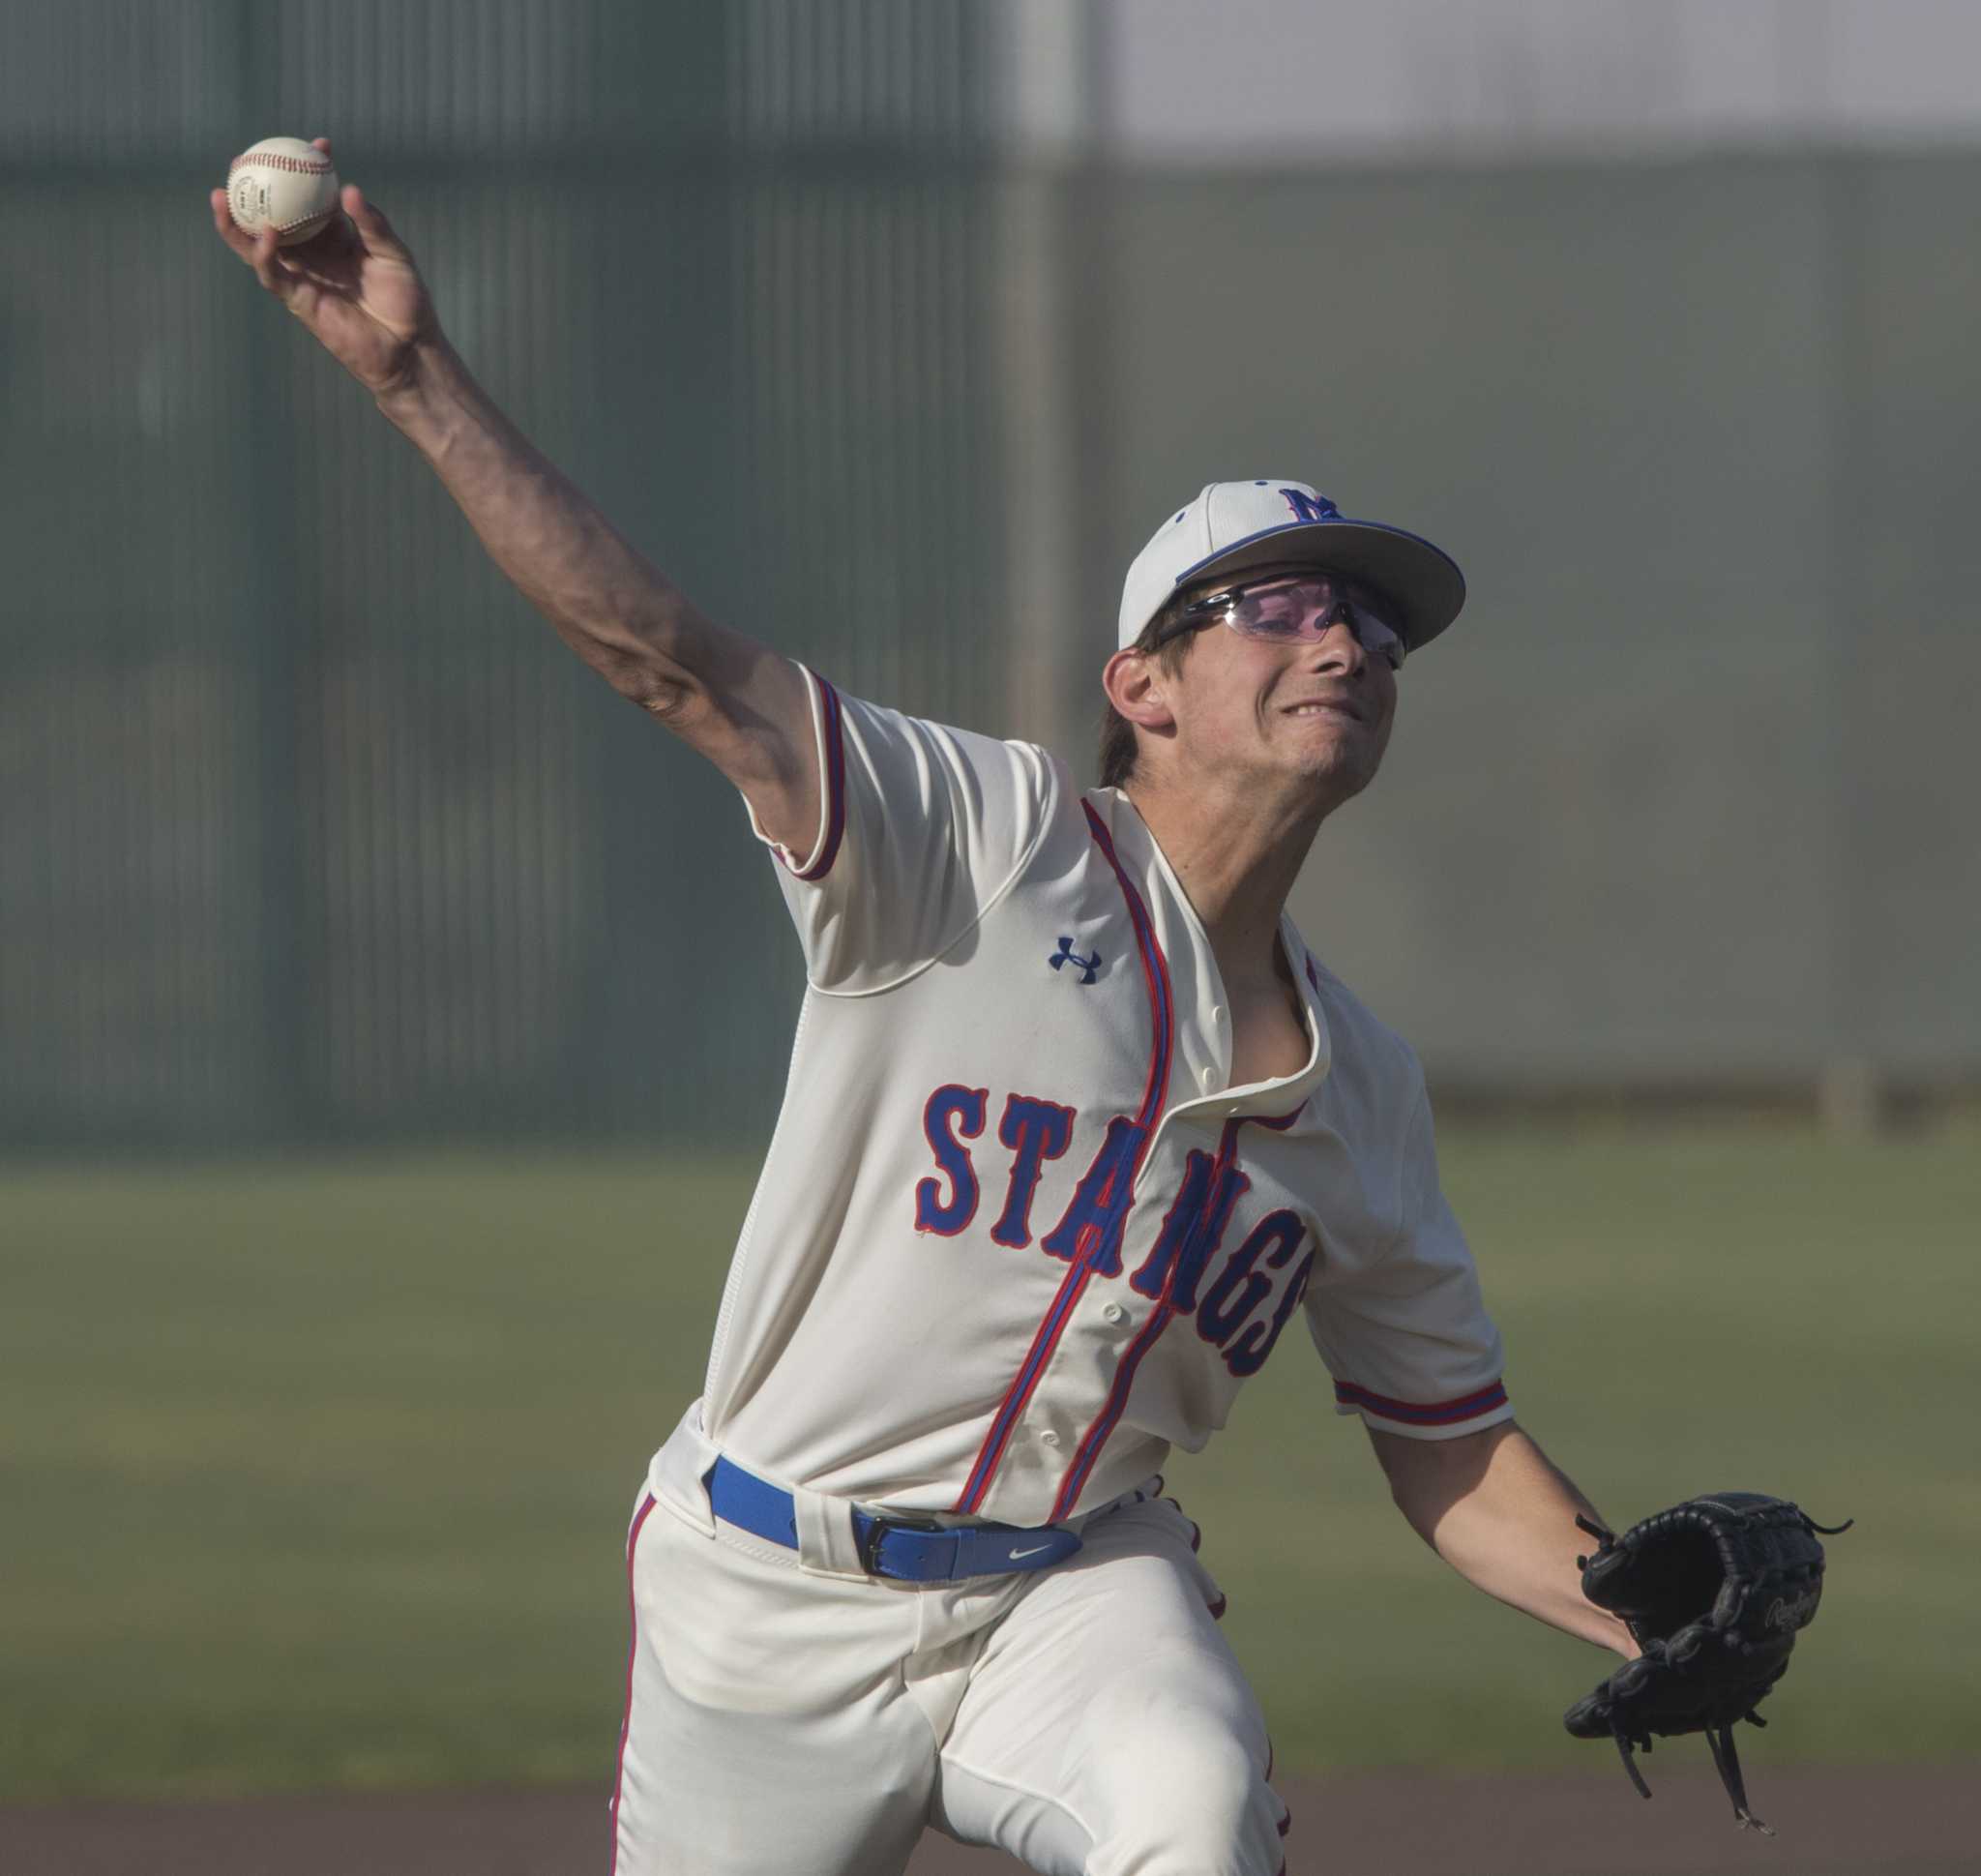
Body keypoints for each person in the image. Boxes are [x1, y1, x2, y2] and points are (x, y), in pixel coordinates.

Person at [214, 144, 1636, 1876]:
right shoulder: (977, 841)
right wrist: (417, 379)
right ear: (1144, 687)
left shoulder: (1367, 1094)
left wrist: (1638, 1607)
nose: (1341, 641)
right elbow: (659, 647)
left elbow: (1449, 1446)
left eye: (1372, 627)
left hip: (1077, 1593)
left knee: (1192, 1818)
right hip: (765, 1601)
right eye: (1277, 604)